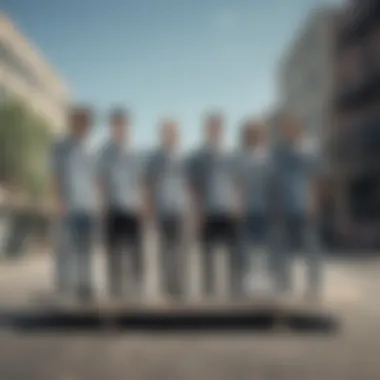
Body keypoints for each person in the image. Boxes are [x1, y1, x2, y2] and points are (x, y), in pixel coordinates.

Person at [188, 113, 242, 298]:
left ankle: (233, 290)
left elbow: (238, 182)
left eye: (218, 127)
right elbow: (194, 187)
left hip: (228, 209)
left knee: (232, 253)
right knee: (208, 254)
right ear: (206, 129)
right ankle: (209, 291)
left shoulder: (232, 154)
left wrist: (237, 204)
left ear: (223, 129)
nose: (215, 130)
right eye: (211, 127)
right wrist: (197, 212)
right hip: (208, 211)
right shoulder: (198, 156)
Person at [270, 114, 323, 300]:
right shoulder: (279, 153)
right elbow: (274, 181)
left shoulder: (309, 150)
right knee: (282, 249)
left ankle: (313, 287)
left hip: (304, 206)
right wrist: (275, 205)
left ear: (299, 129)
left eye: (291, 128)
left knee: (311, 248)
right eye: (285, 129)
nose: (287, 132)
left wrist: (314, 202)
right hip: (284, 207)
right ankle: (285, 286)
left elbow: (316, 180)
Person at [51, 106, 98, 301]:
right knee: (65, 250)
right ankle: (63, 288)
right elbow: (54, 176)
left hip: (88, 207)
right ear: (74, 123)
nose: (85, 126)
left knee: (85, 249)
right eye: (81, 122)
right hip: (68, 207)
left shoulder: (92, 148)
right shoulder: (61, 147)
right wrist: (58, 201)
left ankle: (84, 287)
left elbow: (97, 180)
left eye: (88, 123)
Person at [98, 109, 146, 298]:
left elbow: (142, 182)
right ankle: (115, 288)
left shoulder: (136, 152)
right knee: (113, 251)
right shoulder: (104, 152)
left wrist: (143, 205)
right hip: (113, 208)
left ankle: (136, 287)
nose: (120, 128)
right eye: (116, 124)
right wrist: (101, 205)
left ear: (128, 127)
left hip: (133, 208)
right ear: (111, 127)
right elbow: (100, 181)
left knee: (135, 251)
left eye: (123, 124)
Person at [145, 119, 189, 299]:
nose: (170, 135)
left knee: (181, 251)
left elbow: (191, 186)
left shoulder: (184, 158)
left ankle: (179, 287)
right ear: (162, 135)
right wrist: (150, 209)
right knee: (164, 251)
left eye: (173, 132)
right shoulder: (155, 158)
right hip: (163, 210)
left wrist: (191, 211)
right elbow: (149, 185)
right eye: (167, 132)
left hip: (180, 210)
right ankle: (167, 288)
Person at [236, 120, 272, 295]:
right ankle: (248, 282)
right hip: (248, 208)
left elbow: (273, 185)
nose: (255, 137)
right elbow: (239, 184)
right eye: (251, 133)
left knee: (263, 247)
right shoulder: (242, 157)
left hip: (264, 208)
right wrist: (239, 205)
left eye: (258, 133)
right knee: (247, 247)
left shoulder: (268, 157)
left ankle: (262, 282)